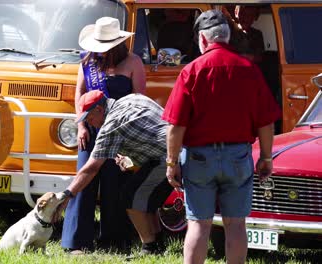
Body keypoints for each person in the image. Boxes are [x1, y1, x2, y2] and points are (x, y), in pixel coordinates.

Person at [162, 10, 281, 264]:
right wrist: (267, 158)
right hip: (238, 156)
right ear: (227, 38)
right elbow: (266, 122)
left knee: (198, 225)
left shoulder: (192, 71)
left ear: (203, 40)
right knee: (236, 225)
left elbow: (176, 126)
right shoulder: (249, 69)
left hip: (199, 158)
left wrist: (171, 163)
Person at [61, 17, 146, 254]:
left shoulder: (133, 62)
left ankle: (114, 241)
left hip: (119, 133)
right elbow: (79, 93)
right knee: (85, 181)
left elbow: (140, 100)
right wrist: (81, 127)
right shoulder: (87, 61)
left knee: (114, 185)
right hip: (91, 129)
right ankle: (76, 242)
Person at [61, 90, 172, 255]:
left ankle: (150, 248)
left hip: (170, 158)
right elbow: (150, 133)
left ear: (99, 109)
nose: (90, 123)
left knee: (131, 197)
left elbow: (91, 169)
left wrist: (68, 195)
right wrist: (131, 162)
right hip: (178, 150)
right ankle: (157, 243)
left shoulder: (111, 125)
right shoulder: (131, 98)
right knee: (145, 197)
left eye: (90, 118)